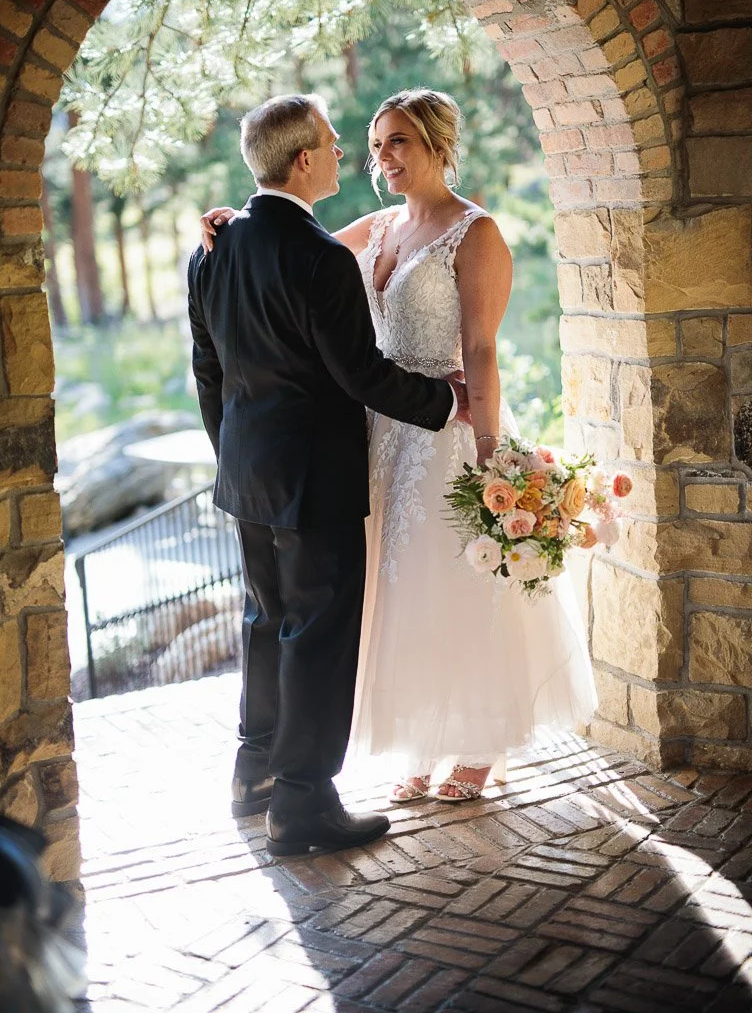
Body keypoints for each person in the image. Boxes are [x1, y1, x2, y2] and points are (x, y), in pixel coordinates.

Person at [201, 88, 597, 807]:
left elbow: (479, 347)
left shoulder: (475, 234)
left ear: (438, 144)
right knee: (393, 594)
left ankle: (476, 743)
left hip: (444, 431)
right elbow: (286, 240)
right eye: (374, 142)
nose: (379, 158)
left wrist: (487, 447)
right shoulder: (379, 226)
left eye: (397, 143)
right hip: (375, 434)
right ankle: (422, 737)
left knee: (454, 588)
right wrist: (233, 219)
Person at [187, 93, 469, 857]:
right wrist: (447, 401)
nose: (349, 153)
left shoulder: (214, 247)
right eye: (338, 144)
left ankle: (254, 776)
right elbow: (361, 376)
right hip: (316, 477)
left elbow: (207, 369)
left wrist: (236, 453)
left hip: (248, 474)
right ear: (304, 159)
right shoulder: (320, 257)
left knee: (266, 620)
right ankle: (305, 804)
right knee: (315, 633)